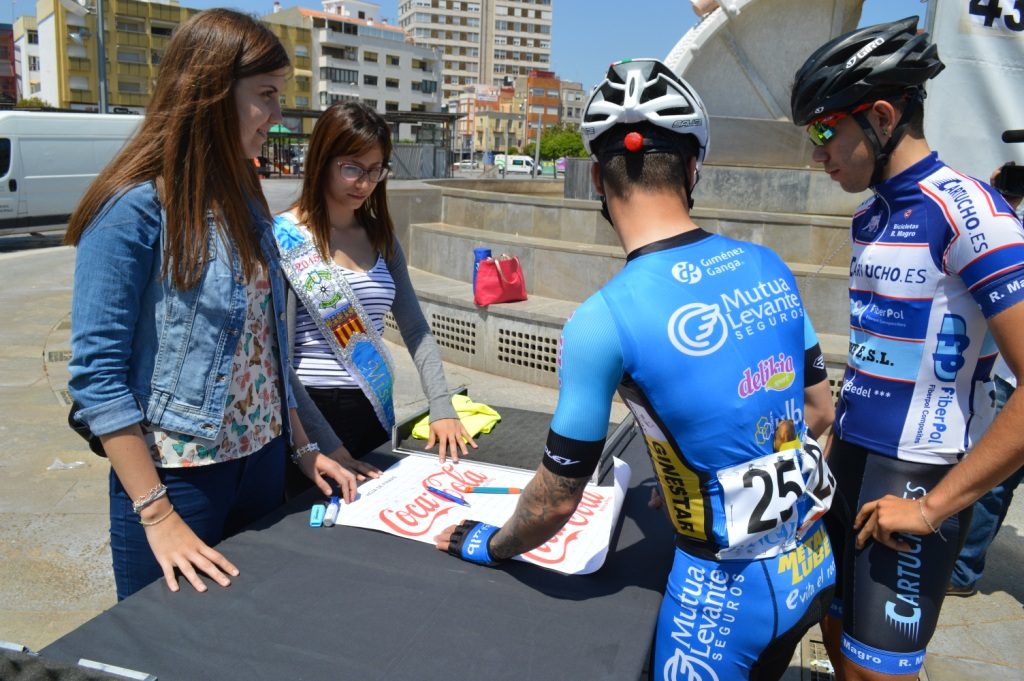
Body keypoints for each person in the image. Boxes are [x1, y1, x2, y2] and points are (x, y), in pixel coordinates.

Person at [435, 58, 838, 681]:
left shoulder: (602, 320)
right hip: (810, 563)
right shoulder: (768, 265)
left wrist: (485, 542)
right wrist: (698, 485)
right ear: (693, 167)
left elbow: (557, 497)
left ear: (597, 177)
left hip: (719, 604)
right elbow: (818, 414)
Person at [65, 9, 373, 600]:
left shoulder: (247, 199)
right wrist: (156, 516)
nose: (278, 116)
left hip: (261, 465)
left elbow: (267, 350)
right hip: (177, 481)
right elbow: (97, 379)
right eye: (265, 95)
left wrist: (305, 448)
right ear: (209, 94)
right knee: (166, 648)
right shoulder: (132, 209)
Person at [790, 17, 1024, 680]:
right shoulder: (871, 213)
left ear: (882, 115)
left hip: (919, 470)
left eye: (824, 130)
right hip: (856, 455)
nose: (818, 154)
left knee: (878, 670)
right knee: (832, 629)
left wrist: (930, 508)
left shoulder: (968, 213)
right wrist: (830, 443)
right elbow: (874, 350)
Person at [272, 102, 474, 496]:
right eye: (352, 168)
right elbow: (277, 355)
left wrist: (441, 406)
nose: (363, 183)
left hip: (373, 409)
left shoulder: (382, 237)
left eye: (375, 170)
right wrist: (322, 441)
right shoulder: (282, 236)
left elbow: (415, 328)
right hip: (308, 417)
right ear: (322, 161)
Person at [947, 165, 1024, 598]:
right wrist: (1003, 200)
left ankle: (961, 570)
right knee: (996, 480)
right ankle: (961, 571)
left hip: (1014, 380)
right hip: (1010, 376)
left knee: (995, 480)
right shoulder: (1012, 231)